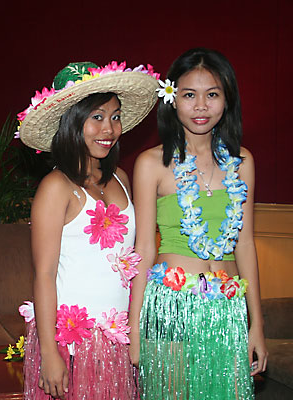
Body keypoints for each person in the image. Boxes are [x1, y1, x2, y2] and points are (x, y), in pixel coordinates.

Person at [130, 47, 268, 399]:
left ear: (227, 100)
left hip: (228, 311)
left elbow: (245, 243)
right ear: (172, 99)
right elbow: (143, 249)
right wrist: (134, 330)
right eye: (190, 95)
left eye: (212, 95)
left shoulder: (242, 162)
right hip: (171, 307)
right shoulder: (151, 164)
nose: (201, 106)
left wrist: (256, 325)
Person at [17, 61, 160, 399]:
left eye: (115, 116)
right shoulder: (56, 186)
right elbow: (44, 274)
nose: (109, 128)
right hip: (72, 342)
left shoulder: (121, 178)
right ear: (72, 122)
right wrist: (49, 352)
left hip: (116, 337)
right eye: (97, 117)